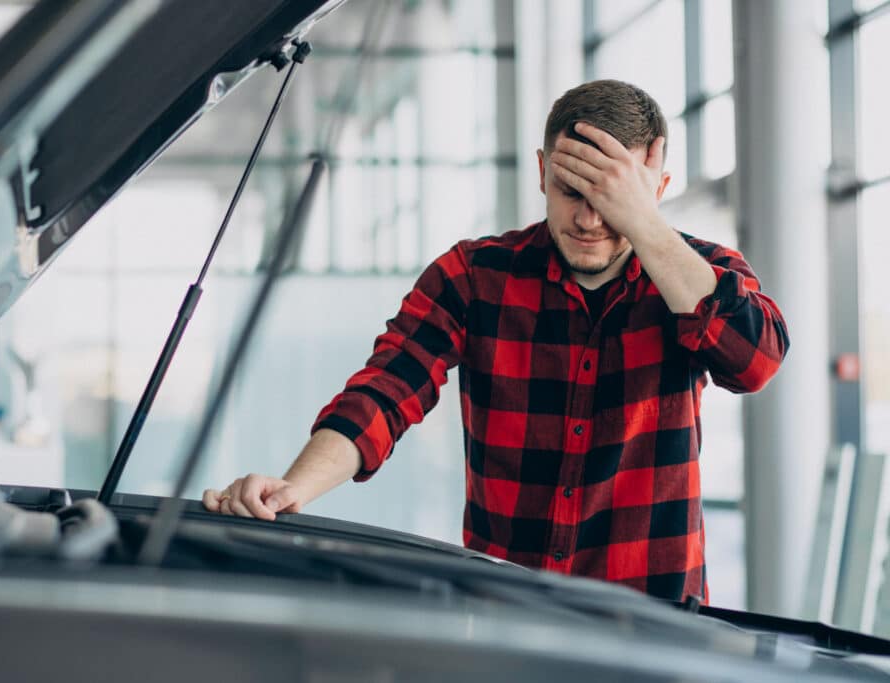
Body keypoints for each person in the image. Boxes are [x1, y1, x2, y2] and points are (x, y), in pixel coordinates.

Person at [202, 79, 789, 603]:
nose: (588, 220)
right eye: (570, 191)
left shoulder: (699, 275)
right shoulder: (474, 275)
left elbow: (756, 362)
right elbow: (386, 391)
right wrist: (293, 488)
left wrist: (646, 224)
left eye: (611, 200)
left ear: (654, 189)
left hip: (655, 627)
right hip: (506, 616)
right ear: (540, 171)